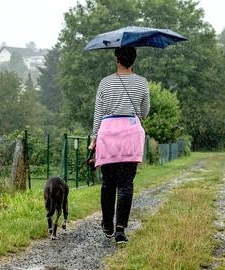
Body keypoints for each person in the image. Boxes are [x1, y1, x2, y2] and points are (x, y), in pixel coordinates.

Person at [88, 47, 150, 244]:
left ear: (117, 59)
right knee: (126, 184)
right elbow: (145, 111)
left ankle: (107, 224)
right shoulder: (142, 82)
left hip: (108, 135)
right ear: (133, 60)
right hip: (131, 135)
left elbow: (98, 113)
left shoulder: (105, 83)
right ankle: (120, 230)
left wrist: (93, 138)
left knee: (108, 183)